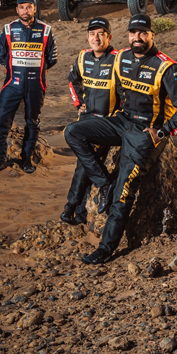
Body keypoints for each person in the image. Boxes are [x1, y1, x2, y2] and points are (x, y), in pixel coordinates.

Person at [66, 14, 177, 264]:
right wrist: (84, 104)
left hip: (145, 132)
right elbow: (110, 87)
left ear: (152, 35)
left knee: (124, 191)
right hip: (122, 121)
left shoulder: (167, 67)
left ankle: (106, 248)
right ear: (127, 36)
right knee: (73, 132)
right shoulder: (122, 57)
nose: (137, 37)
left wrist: (162, 132)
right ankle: (103, 182)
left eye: (143, 33)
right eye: (133, 33)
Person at [0, 0, 58, 176]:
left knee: (32, 123)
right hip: (12, 83)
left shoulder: (46, 30)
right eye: (22, 7)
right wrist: (14, 67)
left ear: (34, 8)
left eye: (29, 7)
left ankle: (27, 159)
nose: (25, 10)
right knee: (1, 122)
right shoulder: (8, 29)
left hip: (36, 85)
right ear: (17, 9)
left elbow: (52, 58)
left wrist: (35, 69)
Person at [60, 17, 118, 226]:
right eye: (92, 34)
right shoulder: (83, 56)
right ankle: (78, 211)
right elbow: (72, 80)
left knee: (84, 164)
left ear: (109, 37)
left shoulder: (118, 59)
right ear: (87, 37)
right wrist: (78, 103)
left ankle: (72, 206)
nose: (96, 38)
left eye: (101, 33)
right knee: (84, 163)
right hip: (85, 119)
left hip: (107, 122)